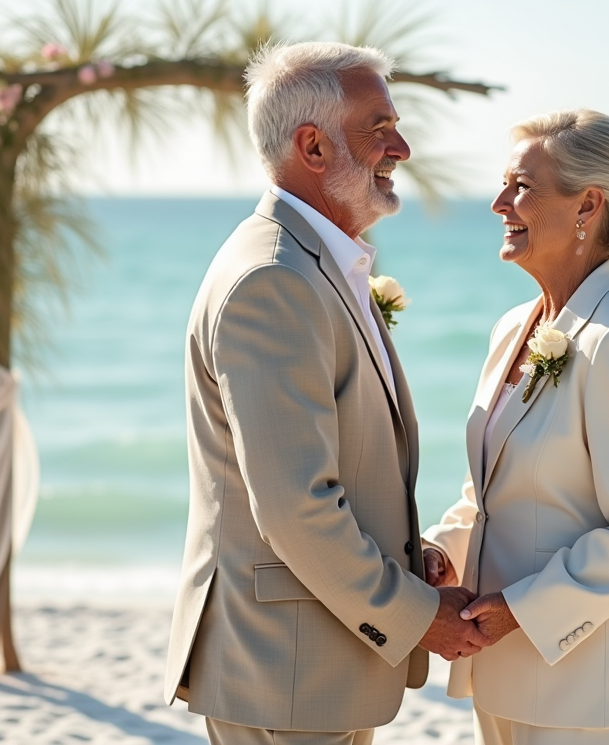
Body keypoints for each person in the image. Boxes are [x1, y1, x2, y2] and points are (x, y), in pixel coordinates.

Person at [163, 41, 487, 745]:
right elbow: (295, 505)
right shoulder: (274, 281)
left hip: (313, 667)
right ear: (311, 146)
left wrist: (408, 551)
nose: (401, 148)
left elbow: (329, 463)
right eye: (379, 128)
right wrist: (415, 617)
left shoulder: (313, 266)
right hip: (285, 672)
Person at [422, 110, 609, 745]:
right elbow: (490, 492)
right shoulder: (512, 327)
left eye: (521, 187)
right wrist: (440, 552)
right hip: (502, 671)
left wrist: (520, 611)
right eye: (503, 185)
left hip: (590, 689)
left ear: (587, 205)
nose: (499, 204)